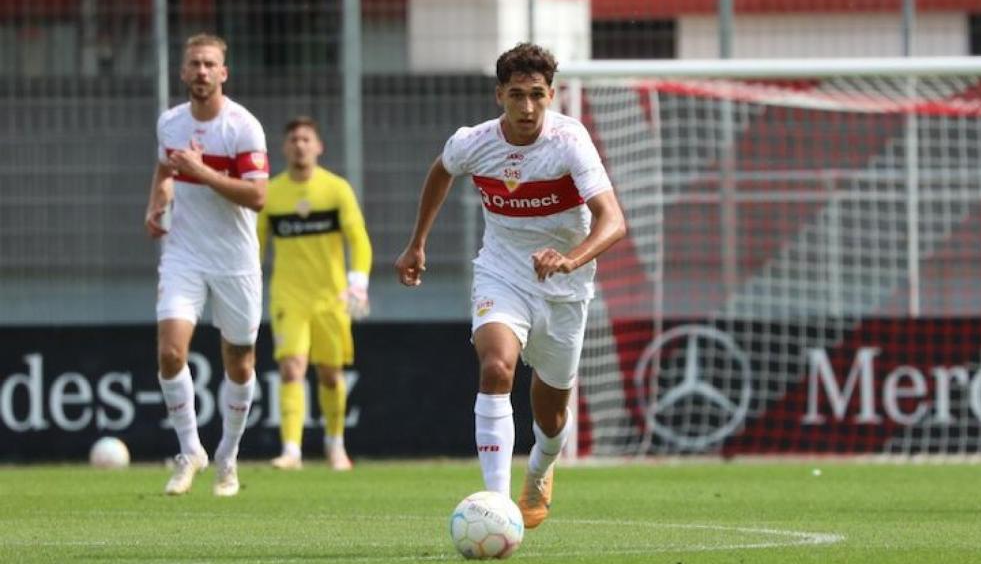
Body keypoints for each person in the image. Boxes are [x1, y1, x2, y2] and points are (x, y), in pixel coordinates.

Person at [394, 42, 626, 529]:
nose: (527, 107)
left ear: (552, 95)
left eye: (536, 95)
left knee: (553, 417)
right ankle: (496, 507)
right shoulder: (473, 142)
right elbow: (442, 170)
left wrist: (570, 258)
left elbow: (613, 221)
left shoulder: (570, 142)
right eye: (516, 95)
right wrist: (417, 243)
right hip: (502, 272)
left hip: (565, 284)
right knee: (496, 367)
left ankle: (541, 469)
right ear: (500, 95)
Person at [144, 33, 269, 497]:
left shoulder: (242, 127)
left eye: (209, 64)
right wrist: (157, 201)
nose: (200, 71)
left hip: (235, 260)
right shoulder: (170, 123)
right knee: (171, 352)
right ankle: (190, 451)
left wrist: (203, 173)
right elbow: (166, 168)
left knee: (239, 361)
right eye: (193, 63)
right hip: (184, 254)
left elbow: (258, 196)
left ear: (223, 73)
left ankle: (228, 457)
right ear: (183, 72)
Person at [257, 117, 372, 471]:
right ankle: (291, 450)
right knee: (291, 368)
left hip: (331, 298)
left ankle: (335, 446)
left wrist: (358, 282)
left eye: (306, 139)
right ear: (284, 148)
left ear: (318, 146)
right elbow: (256, 247)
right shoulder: (271, 194)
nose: (300, 145)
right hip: (288, 297)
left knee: (330, 374)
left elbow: (358, 239)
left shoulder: (335, 189)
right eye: (293, 139)